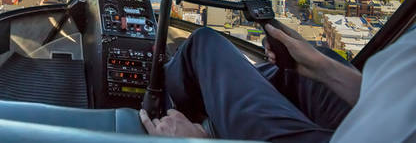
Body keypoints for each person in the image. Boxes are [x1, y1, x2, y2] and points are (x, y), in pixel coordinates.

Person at [139, 22, 416, 142]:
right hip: (383, 120)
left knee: (205, 45)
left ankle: (162, 109)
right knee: (302, 67)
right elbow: (397, 97)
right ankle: (221, 110)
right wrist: (320, 67)